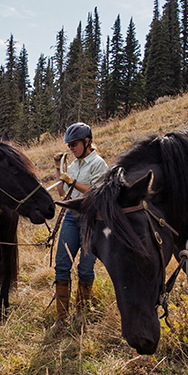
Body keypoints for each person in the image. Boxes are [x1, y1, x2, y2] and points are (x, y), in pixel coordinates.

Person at [54, 122, 108, 325]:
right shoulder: (73, 164)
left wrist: (73, 182)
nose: (71, 148)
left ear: (87, 142)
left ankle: (81, 314)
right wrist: (58, 171)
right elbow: (63, 194)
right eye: (68, 145)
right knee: (61, 265)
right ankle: (61, 317)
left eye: (74, 144)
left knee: (85, 268)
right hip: (70, 216)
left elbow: (97, 192)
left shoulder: (98, 164)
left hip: (90, 219)